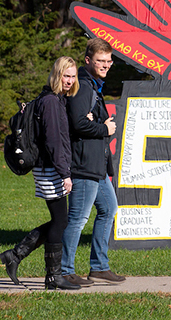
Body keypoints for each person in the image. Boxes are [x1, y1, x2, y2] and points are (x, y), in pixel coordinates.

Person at [0, 56, 81, 290]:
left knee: (60, 220)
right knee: (61, 221)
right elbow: (54, 141)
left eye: (73, 76)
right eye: (66, 75)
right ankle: (52, 276)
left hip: (51, 168)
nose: (69, 80)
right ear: (57, 75)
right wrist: (65, 173)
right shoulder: (51, 103)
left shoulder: (55, 100)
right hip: (50, 169)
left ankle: (15, 256)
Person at [60, 38, 125, 286]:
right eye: (100, 61)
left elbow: (84, 122)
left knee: (108, 209)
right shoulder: (84, 86)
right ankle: (64, 270)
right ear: (88, 61)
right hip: (84, 165)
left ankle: (99, 267)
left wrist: (98, 126)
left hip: (97, 166)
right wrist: (104, 128)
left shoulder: (94, 86)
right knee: (77, 218)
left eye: (109, 61)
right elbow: (77, 123)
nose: (106, 65)